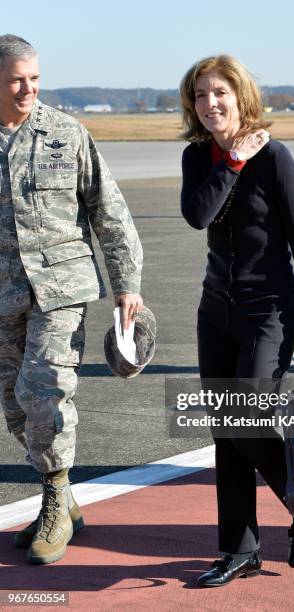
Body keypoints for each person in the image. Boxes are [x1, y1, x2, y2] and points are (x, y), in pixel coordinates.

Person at [180, 55, 294, 587]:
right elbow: (198, 214)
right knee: (227, 430)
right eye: (200, 95)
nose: (209, 104)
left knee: (246, 415)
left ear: (240, 96)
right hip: (214, 310)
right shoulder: (199, 158)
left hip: (268, 309)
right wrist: (231, 163)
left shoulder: (277, 158)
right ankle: (240, 549)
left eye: (219, 92)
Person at [0, 35, 143, 564]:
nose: (28, 88)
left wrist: (127, 283)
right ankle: (60, 491)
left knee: (47, 390)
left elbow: (110, 212)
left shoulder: (64, 133)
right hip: (3, 295)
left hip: (61, 289)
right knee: (16, 407)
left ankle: (56, 500)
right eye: (17, 79)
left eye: (34, 78)